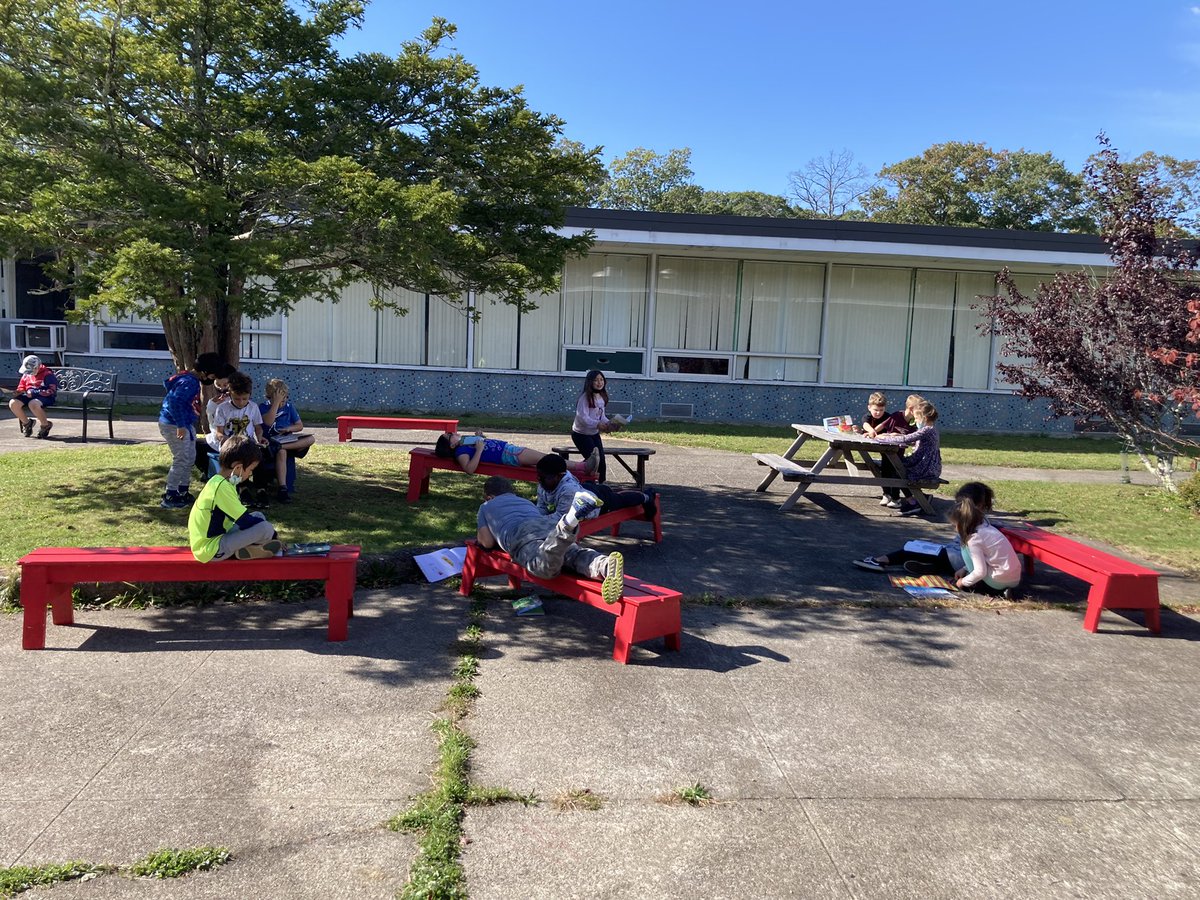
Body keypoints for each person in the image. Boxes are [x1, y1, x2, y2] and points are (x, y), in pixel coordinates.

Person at [475, 475, 625, 604]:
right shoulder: (524, 502)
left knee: (544, 567)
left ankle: (568, 522)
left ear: (489, 496)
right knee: (573, 555)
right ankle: (603, 565)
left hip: (521, 534)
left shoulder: (486, 506)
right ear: (511, 491)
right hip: (546, 525)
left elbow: (486, 542)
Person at [853, 482, 995, 577]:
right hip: (958, 560)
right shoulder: (984, 522)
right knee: (924, 549)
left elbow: (969, 550)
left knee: (912, 549)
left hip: (958, 561)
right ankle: (932, 567)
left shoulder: (971, 521)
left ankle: (880, 561)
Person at [188, 434, 284, 561]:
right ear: (238, 467)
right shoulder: (222, 488)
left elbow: (243, 519)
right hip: (211, 550)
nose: (250, 474)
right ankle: (253, 550)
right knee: (265, 528)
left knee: (258, 516)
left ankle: (250, 550)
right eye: (250, 470)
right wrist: (275, 536)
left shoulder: (221, 482)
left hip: (219, 537)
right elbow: (244, 521)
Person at [158, 352, 227, 509]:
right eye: (213, 376)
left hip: (184, 423)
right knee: (181, 458)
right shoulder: (190, 383)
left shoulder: (189, 378)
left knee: (190, 457)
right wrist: (181, 425)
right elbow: (175, 403)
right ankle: (170, 494)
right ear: (204, 372)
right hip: (174, 425)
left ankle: (183, 490)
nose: (213, 379)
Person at [535, 454, 657, 522]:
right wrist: (535, 516)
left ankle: (647, 496)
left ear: (559, 476)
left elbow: (561, 517)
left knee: (619, 500)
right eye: (539, 476)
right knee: (605, 491)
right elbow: (541, 507)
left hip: (597, 503)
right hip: (585, 489)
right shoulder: (544, 482)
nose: (540, 480)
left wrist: (536, 520)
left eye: (545, 477)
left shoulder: (568, 490)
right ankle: (603, 488)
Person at [874, 399, 942, 516]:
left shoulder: (927, 430)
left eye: (916, 419)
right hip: (925, 465)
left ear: (923, 418)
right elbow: (912, 440)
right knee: (896, 466)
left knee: (898, 470)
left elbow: (907, 439)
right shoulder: (930, 429)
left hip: (926, 468)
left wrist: (883, 438)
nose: (915, 421)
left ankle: (914, 502)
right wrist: (896, 435)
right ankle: (919, 498)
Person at [434, 430, 600, 477]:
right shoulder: (460, 452)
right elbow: (469, 469)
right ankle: (583, 467)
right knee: (546, 459)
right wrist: (478, 450)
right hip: (509, 455)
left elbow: (484, 443)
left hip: (510, 451)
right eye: (450, 435)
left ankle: (584, 467)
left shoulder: (464, 443)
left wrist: (478, 437)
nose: (454, 433)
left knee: (545, 459)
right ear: (451, 444)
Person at [259, 378, 317, 504]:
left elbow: (299, 426)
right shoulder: (263, 407)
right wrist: (275, 404)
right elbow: (268, 422)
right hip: (270, 442)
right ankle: (283, 488)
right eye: (280, 398)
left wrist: (289, 428)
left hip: (287, 440)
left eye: (285, 397)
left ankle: (282, 446)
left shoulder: (290, 407)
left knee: (311, 438)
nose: (283, 401)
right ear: (270, 397)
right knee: (282, 452)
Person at [571, 369, 628, 483]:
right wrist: (597, 424)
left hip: (594, 434)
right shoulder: (585, 398)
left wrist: (610, 424)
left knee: (601, 460)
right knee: (593, 461)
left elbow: (601, 416)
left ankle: (602, 484)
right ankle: (586, 481)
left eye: (601, 379)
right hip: (581, 435)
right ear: (590, 382)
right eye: (596, 380)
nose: (599, 382)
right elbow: (583, 418)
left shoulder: (601, 397)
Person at [861, 390, 913, 508]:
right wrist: (869, 430)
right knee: (885, 470)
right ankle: (886, 493)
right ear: (869, 407)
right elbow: (865, 424)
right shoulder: (868, 416)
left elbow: (885, 426)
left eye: (881, 410)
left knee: (894, 471)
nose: (878, 413)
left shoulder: (889, 417)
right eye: (876, 410)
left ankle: (896, 497)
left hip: (893, 450)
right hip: (883, 449)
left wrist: (875, 432)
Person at [192, 362, 236, 482]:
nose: (222, 388)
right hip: (217, 437)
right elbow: (212, 424)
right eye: (218, 385)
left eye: (225, 384)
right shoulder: (214, 401)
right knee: (194, 445)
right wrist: (212, 406)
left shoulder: (239, 400)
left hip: (234, 437)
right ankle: (207, 470)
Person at [9, 354, 58, 439]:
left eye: (31, 370)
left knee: (33, 404)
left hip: (44, 397)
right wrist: (18, 392)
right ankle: (27, 423)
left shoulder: (47, 374)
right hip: (28, 395)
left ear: (37, 367)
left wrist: (34, 392)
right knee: (13, 403)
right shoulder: (26, 374)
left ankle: (45, 425)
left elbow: (51, 391)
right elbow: (22, 386)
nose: (29, 373)